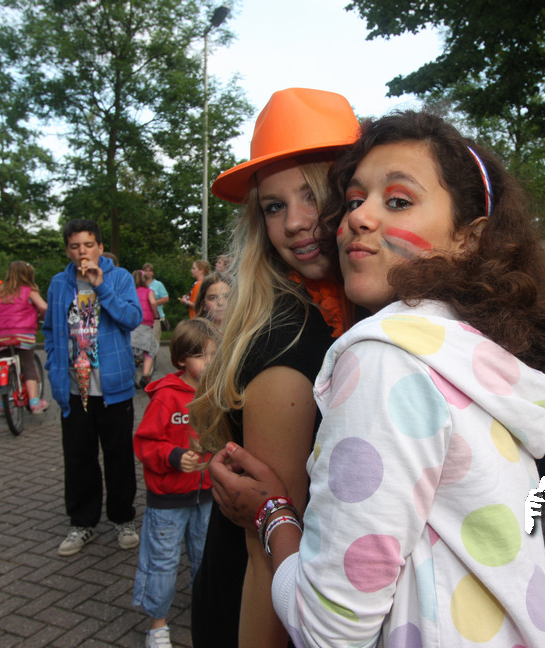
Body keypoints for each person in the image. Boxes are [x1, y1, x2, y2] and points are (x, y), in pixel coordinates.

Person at [205, 110, 545, 648]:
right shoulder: (472, 347)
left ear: (470, 238)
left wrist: (271, 513)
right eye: (353, 200)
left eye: (398, 200)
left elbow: (328, 629)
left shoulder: (386, 357)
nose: (357, 217)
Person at [190, 88, 359, 648]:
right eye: (274, 206)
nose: (295, 223)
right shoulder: (290, 341)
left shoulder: (359, 312)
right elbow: (266, 550)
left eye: (313, 194)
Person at [43, 219, 142, 557]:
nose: (81, 252)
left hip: (113, 387)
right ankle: (82, 523)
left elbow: (132, 319)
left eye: (88, 245)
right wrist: (54, 365)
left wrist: (101, 287)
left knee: (118, 457)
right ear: (67, 250)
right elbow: (50, 329)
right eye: (75, 246)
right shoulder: (59, 283)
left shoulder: (120, 278)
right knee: (79, 458)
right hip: (75, 389)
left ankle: (123, 518)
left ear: (100, 247)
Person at [133, 318, 220, 648]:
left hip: (207, 495)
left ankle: (205, 609)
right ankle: (157, 625)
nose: (209, 363)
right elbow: (145, 443)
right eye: (201, 356)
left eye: (214, 355)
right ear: (182, 359)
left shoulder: (215, 393)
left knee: (205, 557)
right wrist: (172, 456)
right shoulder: (166, 397)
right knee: (162, 563)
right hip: (168, 500)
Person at [0, 261, 49, 414]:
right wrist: (40, 316)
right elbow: (44, 306)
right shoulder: (29, 291)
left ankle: (3, 401)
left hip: (2, 335)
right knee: (27, 365)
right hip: (24, 333)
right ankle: (34, 402)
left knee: (4, 364)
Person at [132, 269, 160, 389]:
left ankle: (131, 376)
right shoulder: (149, 291)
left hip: (132, 323)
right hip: (146, 323)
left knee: (132, 349)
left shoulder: (130, 291)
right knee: (149, 350)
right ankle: (145, 375)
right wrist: (156, 315)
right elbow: (153, 302)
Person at [142, 263, 169, 340]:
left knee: (154, 339)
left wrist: (153, 303)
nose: (148, 273)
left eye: (150, 271)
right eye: (146, 271)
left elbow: (166, 298)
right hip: (144, 317)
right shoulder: (141, 285)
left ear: (153, 273)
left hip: (156, 317)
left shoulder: (158, 284)